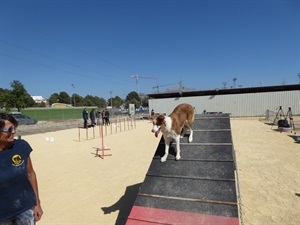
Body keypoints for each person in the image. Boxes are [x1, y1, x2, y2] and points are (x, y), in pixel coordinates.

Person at [0, 113, 43, 224]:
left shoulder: (21, 146)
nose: (13, 132)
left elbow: (30, 174)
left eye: (14, 128)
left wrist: (37, 203)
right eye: (9, 129)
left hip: (25, 209)